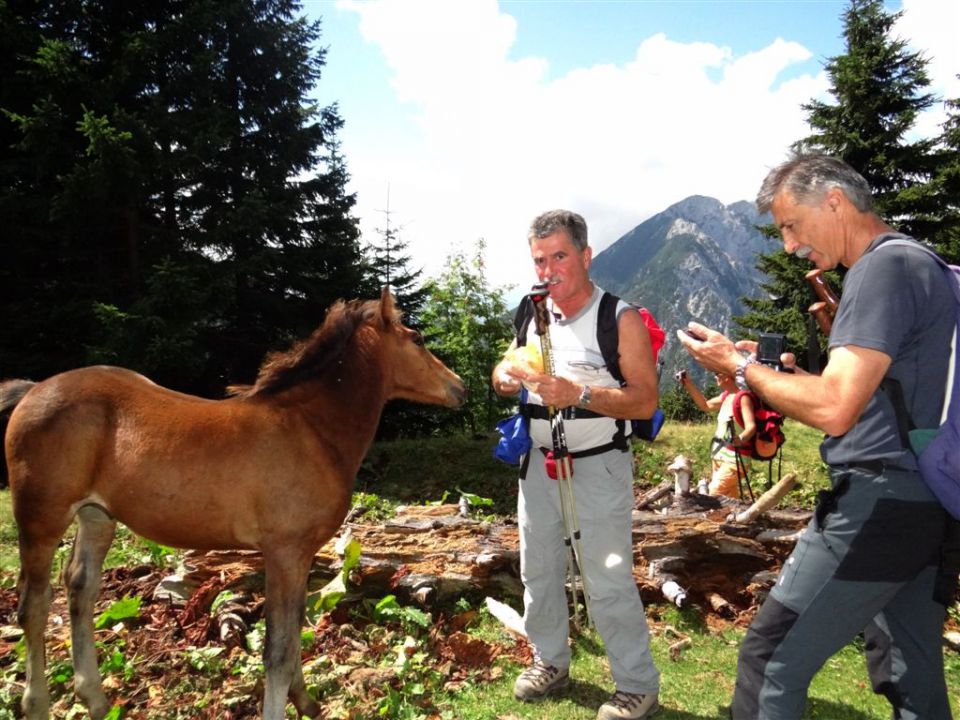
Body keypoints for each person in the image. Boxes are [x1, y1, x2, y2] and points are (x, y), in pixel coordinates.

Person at [676, 155, 955, 719]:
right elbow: (866, 401)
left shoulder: (882, 268)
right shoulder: (924, 264)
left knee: (771, 656)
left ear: (833, 200)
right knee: (908, 663)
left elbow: (833, 409)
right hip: (930, 503)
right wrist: (782, 378)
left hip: (879, 501)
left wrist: (738, 367)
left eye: (790, 225)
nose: (787, 245)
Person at [491, 209, 661, 720]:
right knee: (538, 571)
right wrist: (504, 374)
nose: (548, 269)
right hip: (539, 464)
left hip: (598, 464)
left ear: (586, 256)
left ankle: (637, 686)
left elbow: (646, 402)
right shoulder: (531, 310)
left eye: (559, 256)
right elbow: (510, 359)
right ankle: (550, 661)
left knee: (606, 577)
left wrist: (580, 393)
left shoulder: (619, 318)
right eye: (540, 259)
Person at [675, 369, 757, 498]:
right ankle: (732, 517)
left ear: (728, 377)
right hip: (718, 455)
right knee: (729, 498)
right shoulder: (725, 396)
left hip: (734, 458)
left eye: (717, 374)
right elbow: (705, 405)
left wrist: (741, 438)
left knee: (714, 491)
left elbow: (751, 426)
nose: (715, 377)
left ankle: (713, 517)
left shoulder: (743, 398)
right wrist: (688, 383)